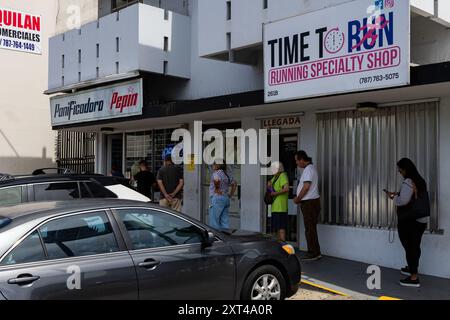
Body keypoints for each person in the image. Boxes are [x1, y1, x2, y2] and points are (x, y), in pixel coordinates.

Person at [386, 158, 429, 288]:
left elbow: (404, 200)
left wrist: (394, 198)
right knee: (415, 246)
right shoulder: (419, 180)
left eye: (400, 169)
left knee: (410, 247)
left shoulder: (408, 181)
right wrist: (399, 193)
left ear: (405, 169)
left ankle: (414, 277)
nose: (399, 171)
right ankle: (412, 268)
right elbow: (413, 195)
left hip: (411, 221)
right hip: (421, 219)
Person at [293, 150, 322, 261]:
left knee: (309, 229)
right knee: (311, 228)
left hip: (309, 203)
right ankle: (315, 252)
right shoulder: (311, 168)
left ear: (301, 160)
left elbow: (306, 187)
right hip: (311, 202)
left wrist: (298, 199)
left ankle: (313, 253)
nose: (296, 163)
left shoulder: (308, 169)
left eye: (297, 161)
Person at [209, 159, 237, 230]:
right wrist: (230, 195)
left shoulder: (216, 173)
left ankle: (215, 238)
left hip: (217, 198)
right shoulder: (227, 174)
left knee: (214, 221)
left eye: (214, 163)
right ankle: (225, 238)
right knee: (224, 221)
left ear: (218, 165)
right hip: (225, 198)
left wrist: (217, 188)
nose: (213, 165)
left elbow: (216, 180)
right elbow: (234, 184)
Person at [268, 161, 290, 241]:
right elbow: (272, 191)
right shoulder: (274, 178)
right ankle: (279, 246)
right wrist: (270, 187)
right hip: (275, 206)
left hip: (281, 206)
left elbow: (286, 188)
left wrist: (275, 193)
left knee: (281, 228)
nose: (271, 170)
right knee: (277, 228)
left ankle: (284, 247)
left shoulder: (282, 176)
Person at [157, 147, 184, 212]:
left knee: (163, 217)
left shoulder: (161, 170)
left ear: (165, 161)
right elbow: (181, 183)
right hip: (176, 198)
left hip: (163, 198)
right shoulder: (178, 169)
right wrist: (174, 193)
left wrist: (166, 194)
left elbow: (160, 183)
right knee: (176, 217)